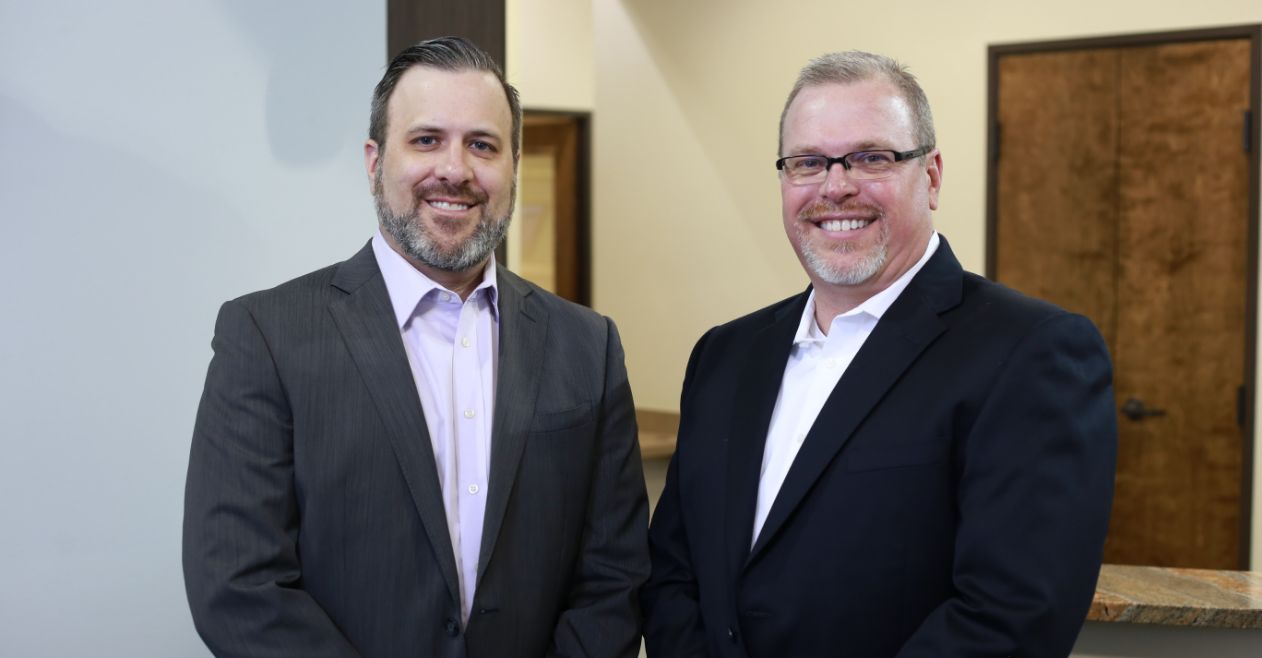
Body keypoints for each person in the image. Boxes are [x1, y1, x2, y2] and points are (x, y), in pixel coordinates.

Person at [183, 36, 648, 658]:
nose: (454, 169)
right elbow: (238, 583)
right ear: (374, 161)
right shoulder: (267, 336)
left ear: (513, 166)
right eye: (426, 140)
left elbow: (615, 577)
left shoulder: (587, 346)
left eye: (482, 145)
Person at [641, 51, 1117, 657]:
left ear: (933, 176)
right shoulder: (726, 354)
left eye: (872, 157)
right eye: (808, 162)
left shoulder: (1031, 353)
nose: (836, 187)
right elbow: (674, 572)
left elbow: (1011, 616)